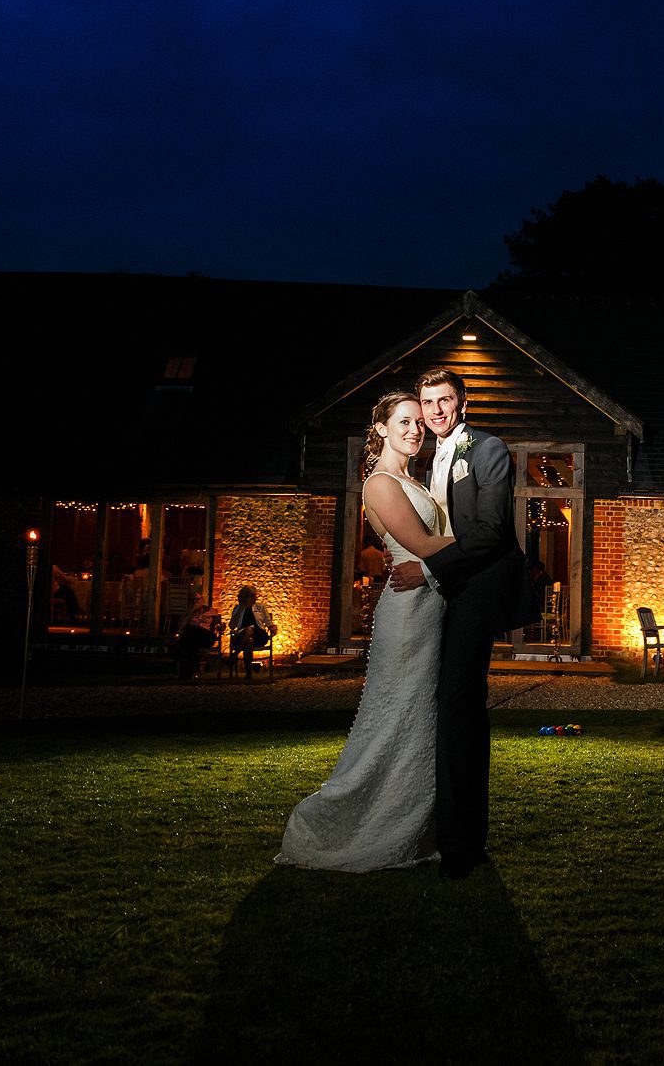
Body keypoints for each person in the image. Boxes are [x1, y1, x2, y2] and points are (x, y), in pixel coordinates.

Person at [278, 391, 453, 872]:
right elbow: (421, 546)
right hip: (408, 610)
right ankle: (350, 821)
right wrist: (484, 535)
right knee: (397, 713)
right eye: (404, 421)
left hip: (430, 602)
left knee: (418, 716)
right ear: (381, 429)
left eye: (419, 422)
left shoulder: (413, 479)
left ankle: (411, 823)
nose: (415, 430)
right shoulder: (379, 482)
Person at [387, 367, 527, 880]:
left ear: (462, 402)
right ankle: (458, 834)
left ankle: (459, 845)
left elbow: (491, 531)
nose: (436, 411)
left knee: (456, 706)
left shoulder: (487, 449)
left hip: (475, 592)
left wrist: (427, 570)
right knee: (455, 709)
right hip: (444, 594)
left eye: (445, 400)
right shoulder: (428, 461)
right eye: (428, 403)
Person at [226, 585, 276, 676]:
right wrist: (241, 609)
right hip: (242, 636)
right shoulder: (237, 608)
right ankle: (248, 674)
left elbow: (268, 621)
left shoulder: (260, 607)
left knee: (249, 630)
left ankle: (234, 655)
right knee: (249, 640)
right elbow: (232, 626)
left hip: (259, 635)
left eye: (255, 595)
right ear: (245, 598)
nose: (255, 598)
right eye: (252, 596)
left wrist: (272, 627)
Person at [171, 601, 216, 680]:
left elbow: (216, 620)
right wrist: (190, 612)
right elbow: (181, 626)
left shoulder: (208, 610)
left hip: (204, 635)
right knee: (189, 644)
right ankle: (192, 672)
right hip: (192, 637)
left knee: (188, 637)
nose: (196, 602)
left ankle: (186, 671)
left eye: (198, 599)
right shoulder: (189, 612)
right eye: (193, 599)